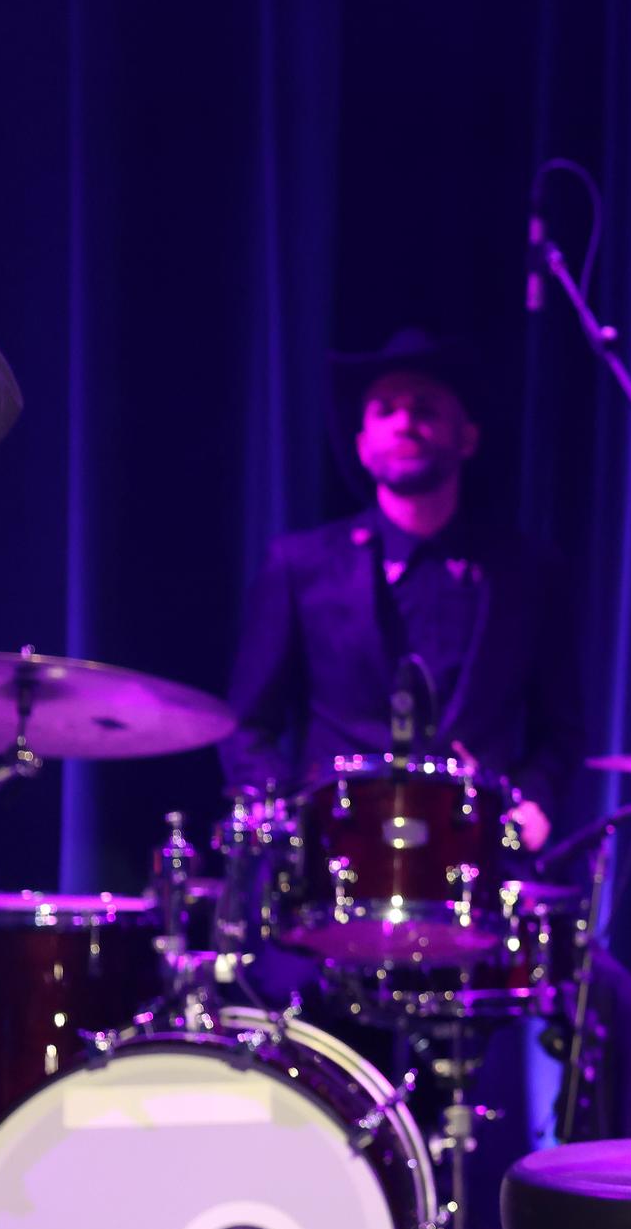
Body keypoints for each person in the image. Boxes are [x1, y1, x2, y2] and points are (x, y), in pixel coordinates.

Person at [220, 328, 584, 848]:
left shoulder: (528, 571)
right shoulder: (301, 564)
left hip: (474, 855)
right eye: (385, 410)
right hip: (334, 857)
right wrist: (288, 813)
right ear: (362, 447)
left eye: (426, 409)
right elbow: (246, 725)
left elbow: (561, 729)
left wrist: (534, 801)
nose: (405, 423)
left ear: (468, 438)